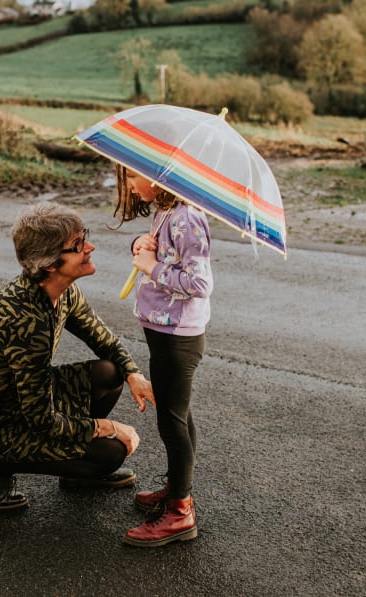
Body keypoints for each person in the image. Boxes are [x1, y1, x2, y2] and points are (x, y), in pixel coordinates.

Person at [0, 201, 155, 511]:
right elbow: (40, 419)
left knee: (110, 371)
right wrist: (108, 427)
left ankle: (78, 473)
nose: (90, 246)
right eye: (78, 244)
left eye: (84, 236)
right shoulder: (24, 319)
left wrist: (134, 375)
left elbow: (103, 339)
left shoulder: (62, 291)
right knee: (110, 453)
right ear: (50, 263)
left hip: (23, 403)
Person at [111, 164, 213, 547]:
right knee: (178, 414)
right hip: (163, 330)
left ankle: (180, 512)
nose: (131, 187)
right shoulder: (167, 212)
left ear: (157, 177)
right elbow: (167, 253)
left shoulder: (187, 217)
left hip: (178, 338)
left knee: (171, 421)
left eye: (133, 178)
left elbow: (199, 282)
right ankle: (176, 487)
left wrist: (151, 267)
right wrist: (143, 242)